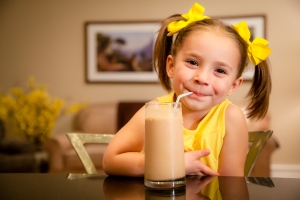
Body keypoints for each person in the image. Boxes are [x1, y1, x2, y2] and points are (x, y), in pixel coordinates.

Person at [103, 2, 272, 177]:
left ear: (233, 86)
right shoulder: (155, 111)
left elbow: (231, 183)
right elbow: (110, 161)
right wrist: (171, 164)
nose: (202, 78)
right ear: (171, 66)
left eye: (220, 71)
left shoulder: (231, 118)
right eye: (192, 62)